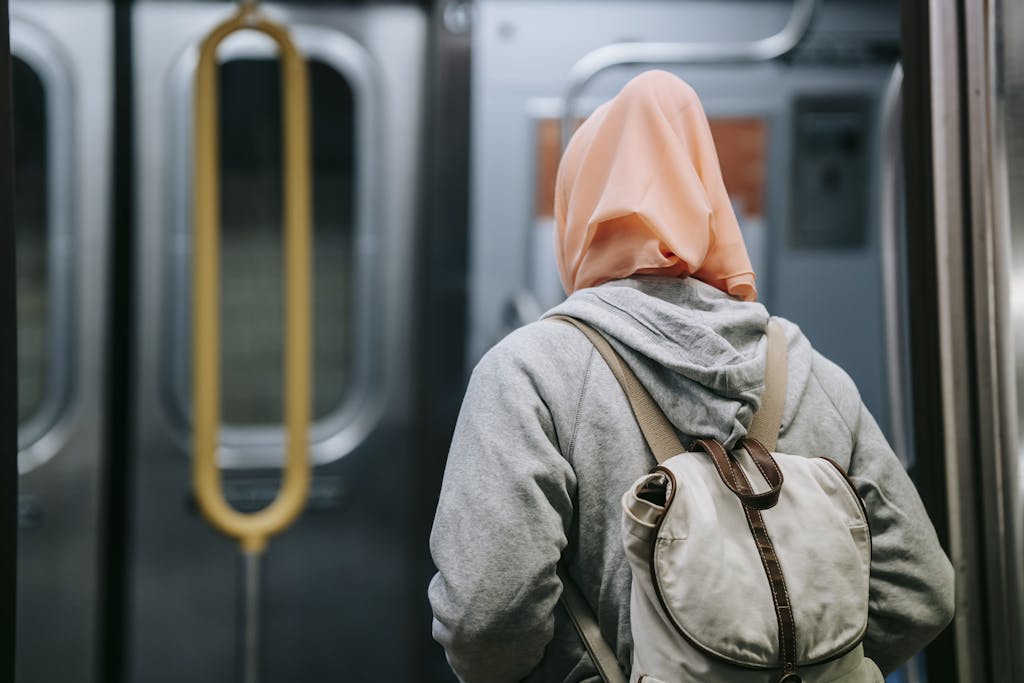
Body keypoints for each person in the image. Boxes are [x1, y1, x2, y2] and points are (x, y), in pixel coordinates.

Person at [428, 70, 954, 682]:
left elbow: (485, 618)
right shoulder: (812, 375)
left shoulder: (529, 373)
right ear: (708, 200)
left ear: (578, 217)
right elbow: (923, 592)